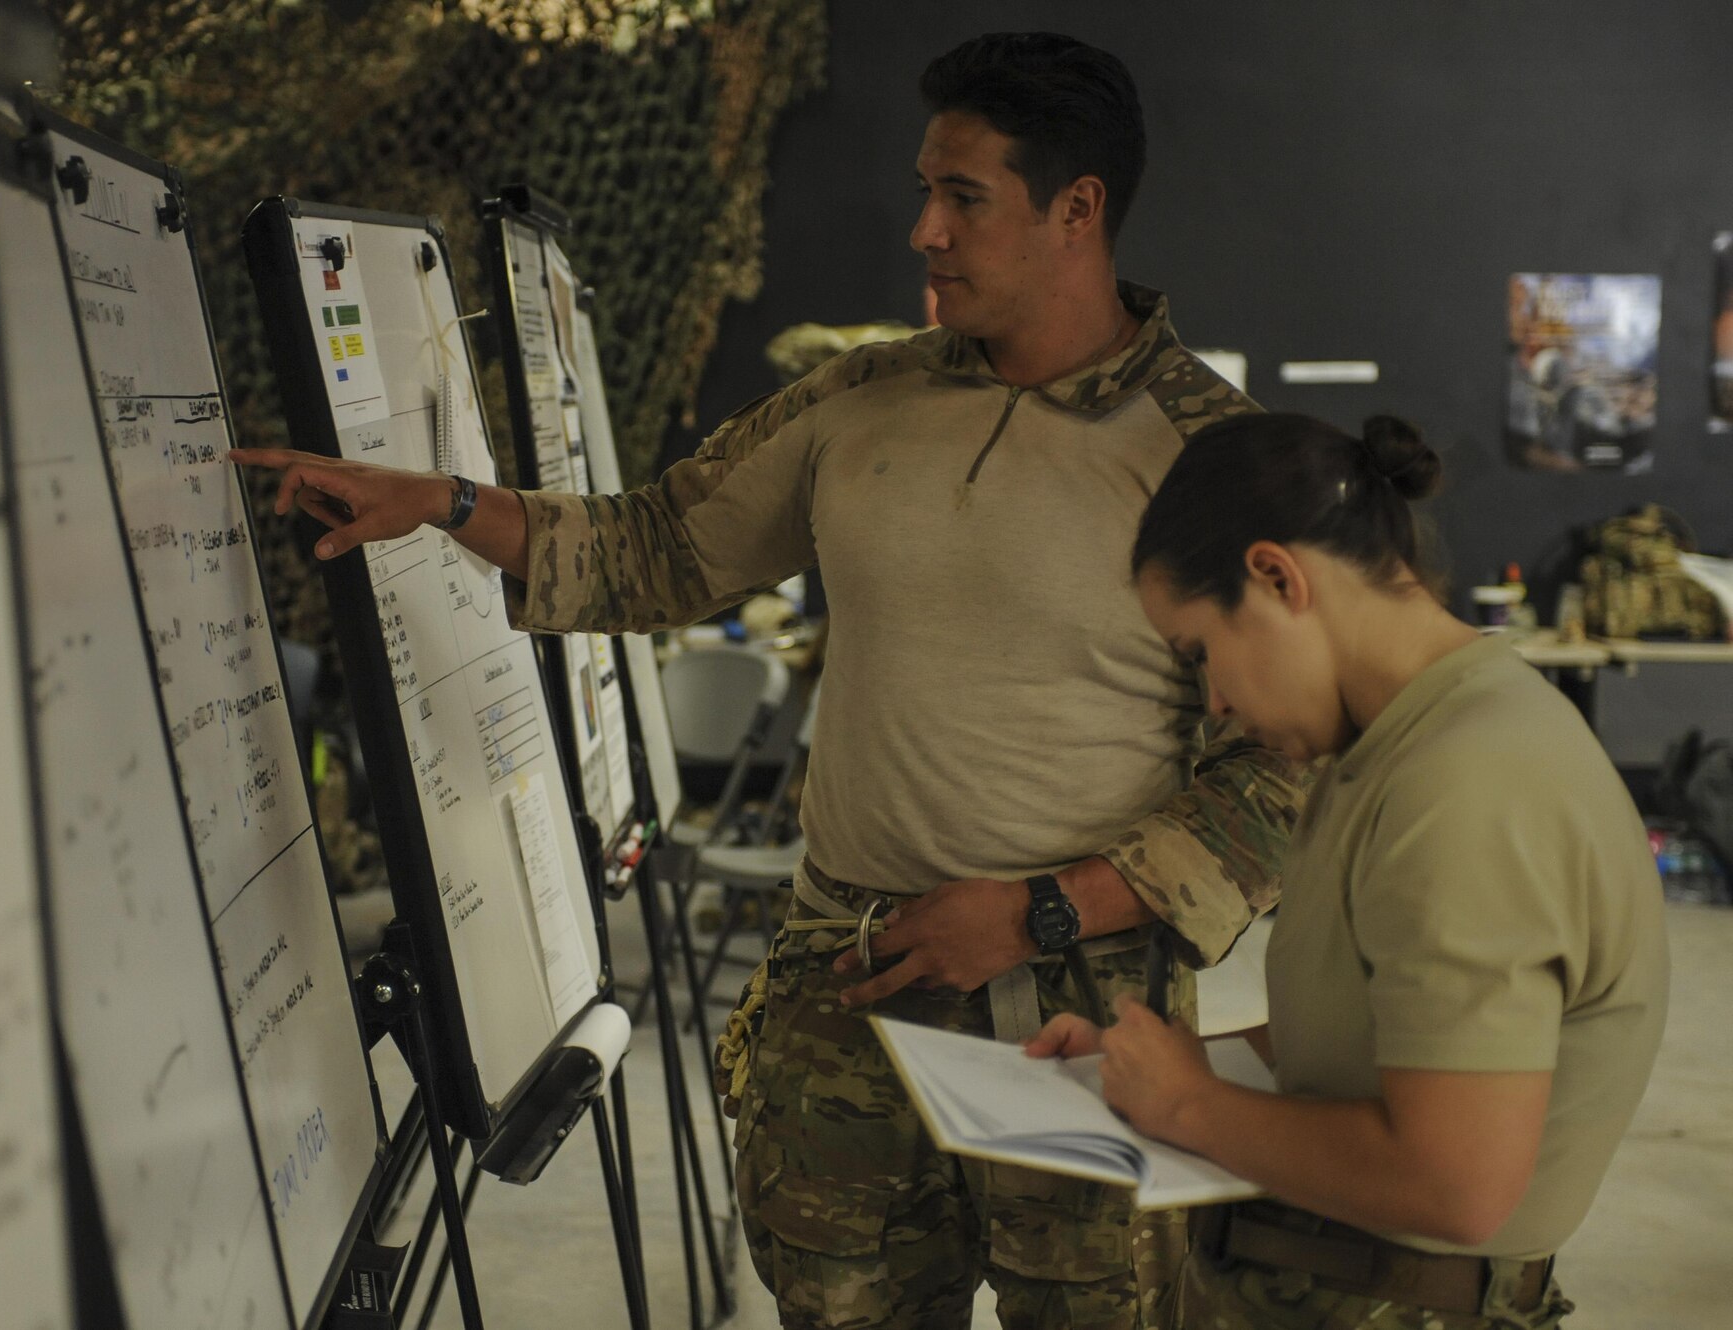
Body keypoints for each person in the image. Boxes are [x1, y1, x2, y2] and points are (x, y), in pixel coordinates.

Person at [233, 32, 1307, 1330]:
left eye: (963, 196)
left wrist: (1045, 913)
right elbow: (655, 551)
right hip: (845, 994)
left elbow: (1284, 768)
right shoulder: (860, 400)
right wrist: (448, 502)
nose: (923, 229)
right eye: (925, 188)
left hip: (1085, 1014)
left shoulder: (1215, 454)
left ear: (1076, 209)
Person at [1028, 413, 1671, 1328]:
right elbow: (1362, 1041)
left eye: (1202, 652)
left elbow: (1457, 1186)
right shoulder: (1384, 750)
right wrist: (1142, 1069)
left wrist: (1190, 1105)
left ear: (1278, 577)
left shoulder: (1467, 784)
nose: (1214, 700)